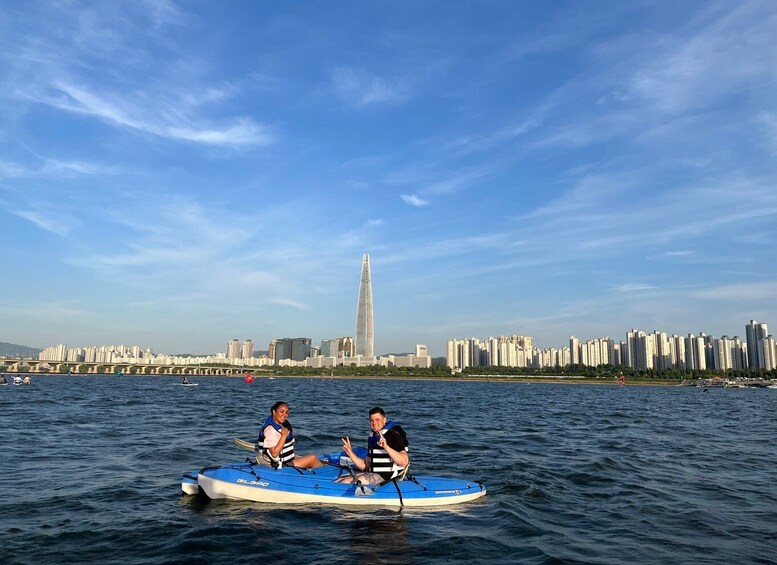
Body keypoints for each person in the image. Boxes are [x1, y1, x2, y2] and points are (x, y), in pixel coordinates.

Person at [339, 407, 409, 485]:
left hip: (388, 477)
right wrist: (350, 452)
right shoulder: (373, 437)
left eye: (377, 420)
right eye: (371, 420)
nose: (374, 423)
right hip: (374, 473)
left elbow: (404, 462)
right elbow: (365, 466)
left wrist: (386, 447)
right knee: (339, 480)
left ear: (384, 420)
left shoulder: (394, 435)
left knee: (344, 482)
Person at [257, 401, 323, 469]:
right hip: (278, 464)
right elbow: (274, 454)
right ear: (274, 412)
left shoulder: (280, 425)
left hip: (285, 460)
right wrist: (284, 435)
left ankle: (321, 467)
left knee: (313, 459)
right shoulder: (271, 429)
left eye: (286, 412)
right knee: (313, 458)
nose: (284, 415)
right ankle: (328, 476)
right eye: (281, 411)